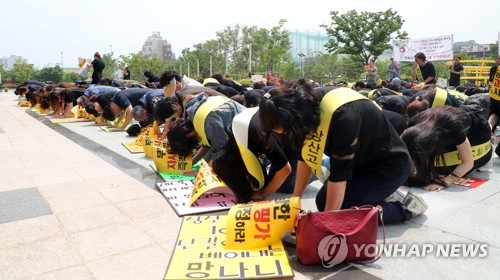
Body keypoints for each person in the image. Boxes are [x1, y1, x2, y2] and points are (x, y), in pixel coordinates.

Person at [258, 80, 427, 224]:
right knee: (324, 201)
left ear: (294, 118)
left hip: (388, 167)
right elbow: (306, 156)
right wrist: (295, 201)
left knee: (339, 212)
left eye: (287, 131)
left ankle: (404, 209)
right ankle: (375, 195)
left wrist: (326, 223)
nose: (287, 135)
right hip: (359, 164)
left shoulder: (344, 117)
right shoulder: (307, 104)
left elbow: (339, 176)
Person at [212, 107, 294, 202]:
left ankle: (311, 171)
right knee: (273, 179)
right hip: (282, 140)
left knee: (286, 185)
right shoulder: (236, 134)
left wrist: (263, 194)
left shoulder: (261, 137)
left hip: (299, 145)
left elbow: (285, 169)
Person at [402, 106, 492, 191]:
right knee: (434, 168)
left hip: (478, 133)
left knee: (446, 169)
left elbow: (468, 162)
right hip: (450, 128)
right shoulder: (412, 125)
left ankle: (485, 159)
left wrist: (447, 180)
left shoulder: (452, 126)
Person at [167, 93, 245, 164]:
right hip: (231, 125)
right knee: (205, 160)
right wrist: (193, 162)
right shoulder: (192, 117)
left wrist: (203, 171)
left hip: (245, 127)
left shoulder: (208, 123)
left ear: (188, 135)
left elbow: (220, 149)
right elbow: (207, 143)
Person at [488, 55, 500, 131]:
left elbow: (491, 81)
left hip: (494, 95)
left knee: (494, 113)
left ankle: (488, 130)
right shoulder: (493, 68)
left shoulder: (496, 68)